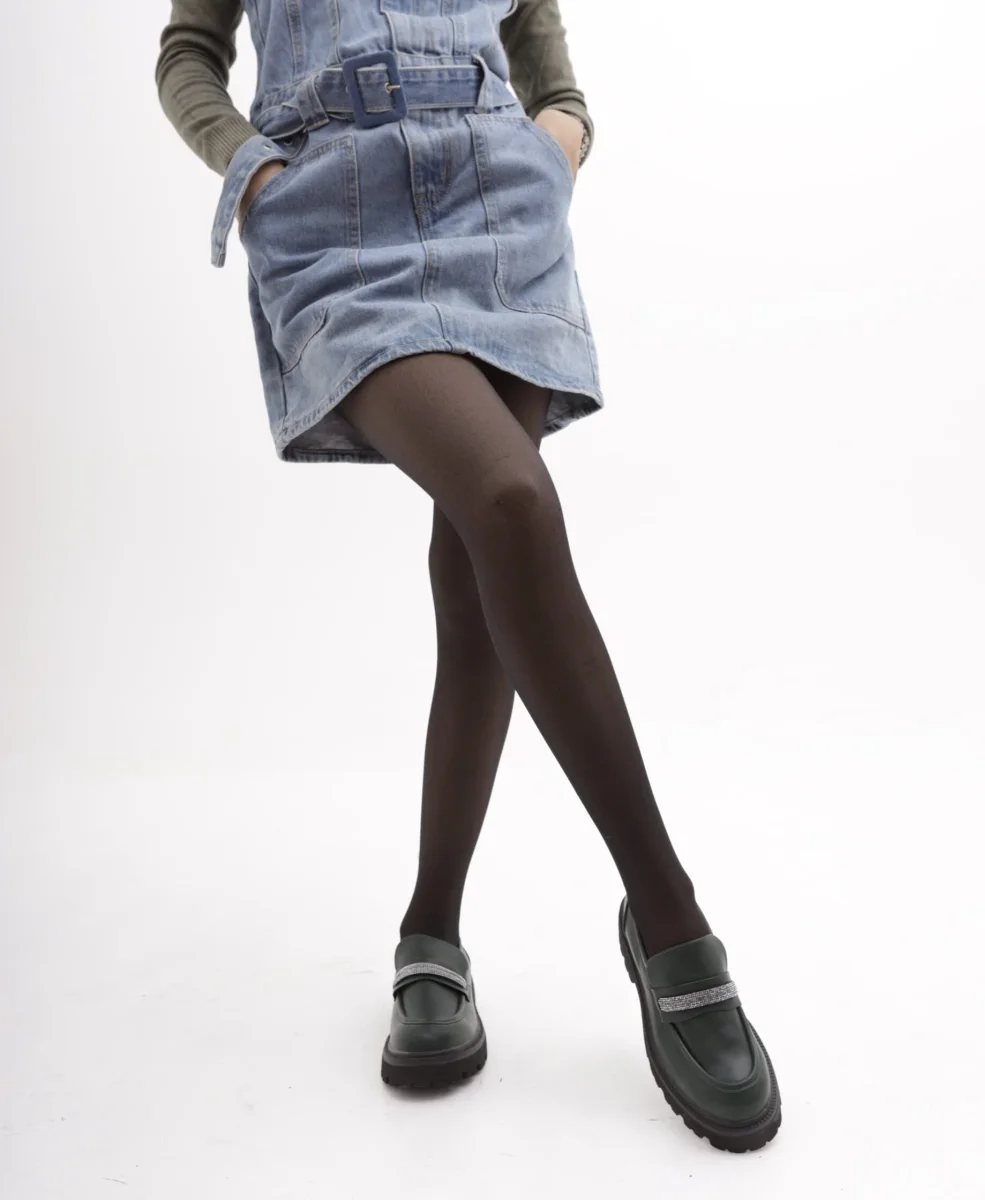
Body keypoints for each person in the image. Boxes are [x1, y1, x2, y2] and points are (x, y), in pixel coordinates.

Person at [155, 0, 780, 1151]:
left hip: (501, 202)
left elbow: (544, 51)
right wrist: (251, 172)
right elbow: (189, 52)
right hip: (338, 217)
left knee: (480, 571)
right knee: (509, 501)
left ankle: (430, 931)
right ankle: (669, 914)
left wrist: (560, 138)